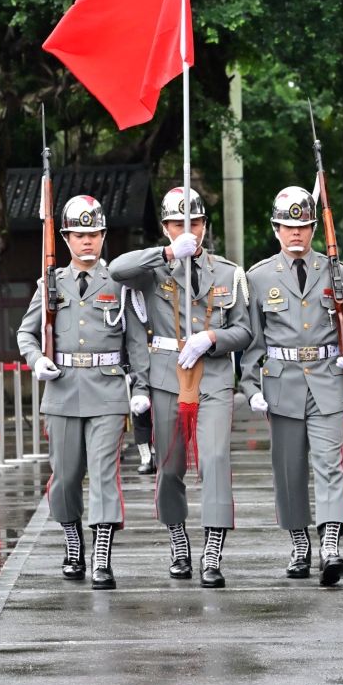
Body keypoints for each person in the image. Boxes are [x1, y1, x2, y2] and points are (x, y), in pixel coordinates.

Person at [109, 186, 251, 588]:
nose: (187, 230)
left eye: (194, 223)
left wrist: (212, 339)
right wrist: (170, 253)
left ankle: (212, 550)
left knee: (215, 459)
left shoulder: (228, 272)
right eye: (175, 224)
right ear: (166, 227)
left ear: (205, 225)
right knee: (169, 467)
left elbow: (244, 330)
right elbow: (117, 268)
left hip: (214, 374)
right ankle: (177, 538)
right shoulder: (152, 269)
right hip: (166, 376)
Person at [18, 194, 150, 590]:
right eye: (79, 234)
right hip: (60, 390)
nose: (87, 242)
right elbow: (27, 332)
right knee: (65, 476)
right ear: (66, 238)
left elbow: (136, 340)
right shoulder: (51, 283)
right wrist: (36, 359)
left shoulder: (119, 282)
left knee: (104, 474)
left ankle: (102, 557)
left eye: (93, 234)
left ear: (103, 235)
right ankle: (73, 541)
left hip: (108, 389)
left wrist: (140, 386)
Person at [240, 186, 343, 587]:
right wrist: (249, 385)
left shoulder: (337, 272)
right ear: (275, 228)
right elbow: (249, 341)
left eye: (303, 226)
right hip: (282, 383)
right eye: (288, 226)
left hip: (328, 378)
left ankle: (330, 546)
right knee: (289, 470)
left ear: (313, 228)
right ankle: (299, 544)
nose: (296, 233)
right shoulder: (258, 277)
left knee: (330, 465)